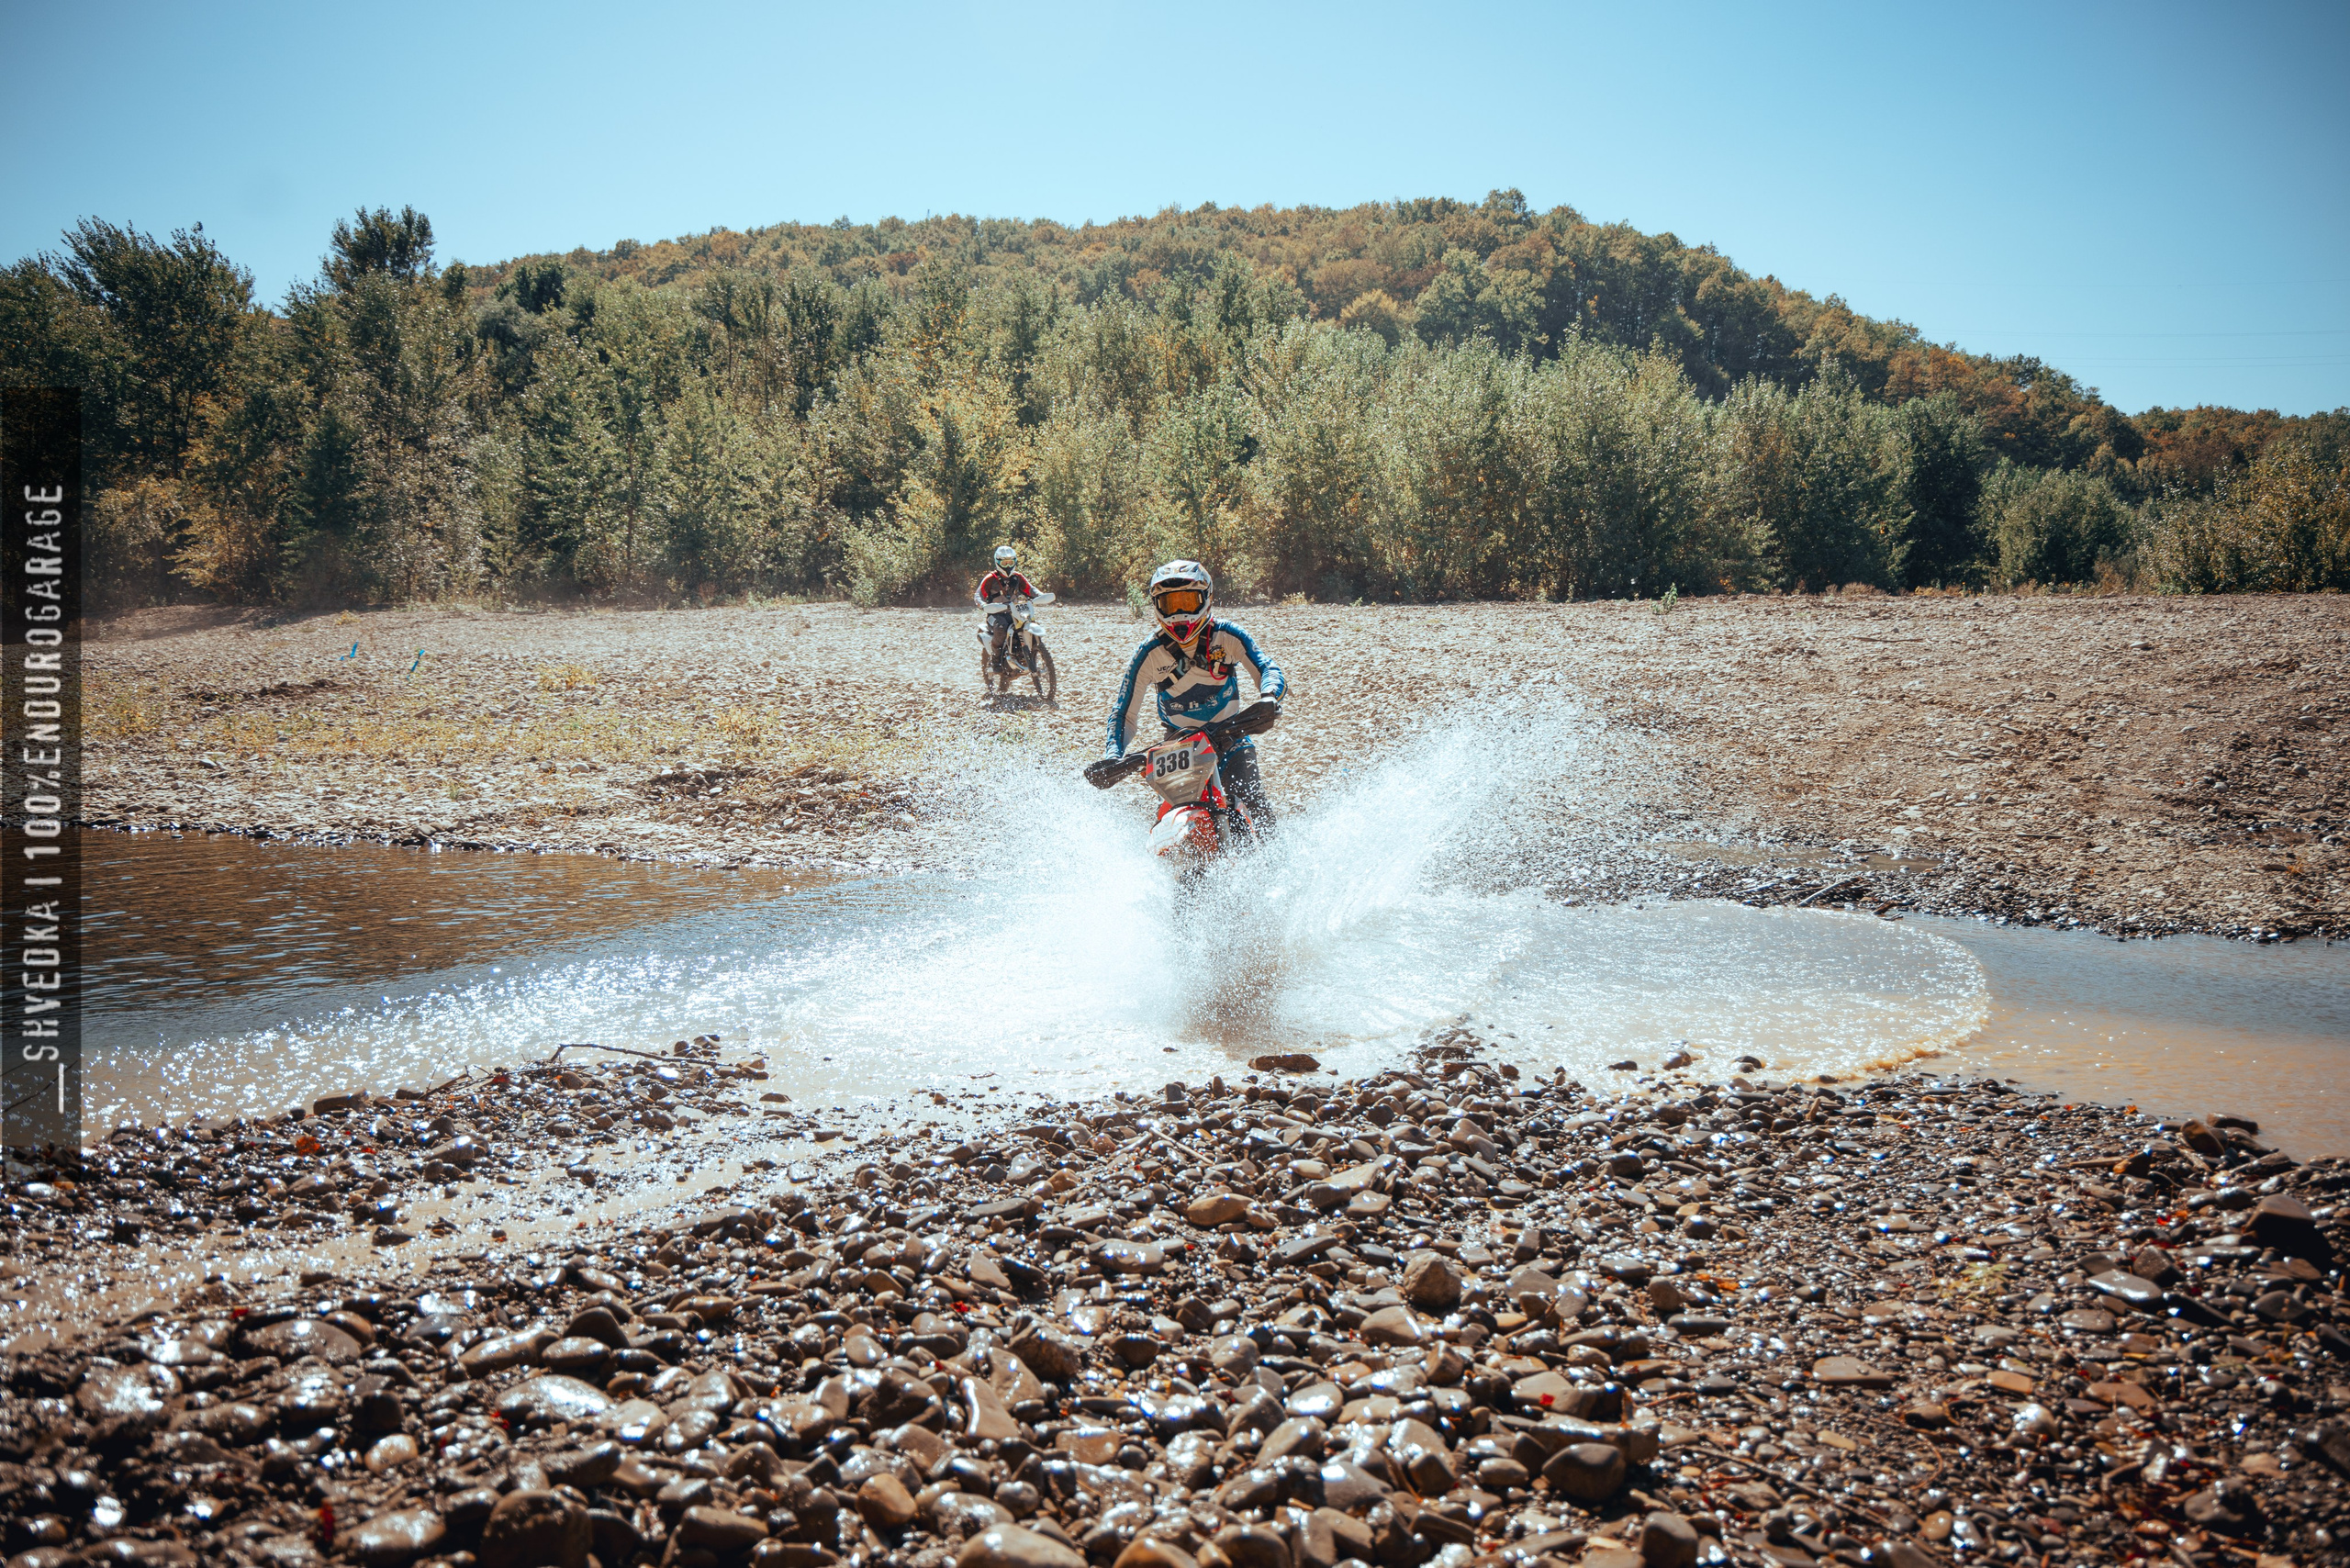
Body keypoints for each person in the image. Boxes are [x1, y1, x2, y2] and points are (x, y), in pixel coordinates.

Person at [1103, 559, 1287, 834]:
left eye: (1187, 601)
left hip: (1232, 737)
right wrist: (1113, 755)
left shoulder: (1228, 636)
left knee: (1255, 805)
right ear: (1156, 606)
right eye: (1169, 604)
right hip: (1177, 748)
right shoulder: (1148, 654)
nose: (1178, 614)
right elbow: (1124, 713)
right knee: (1168, 821)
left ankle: (1276, 859)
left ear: (1207, 598)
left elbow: (1267, 668)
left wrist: (1270, 696)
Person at [975, 544, 1040, 672]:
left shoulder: (1018, 577)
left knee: (1032, 624)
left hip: (1015, 612)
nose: (1008, 566)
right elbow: (978, 594)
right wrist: (982, 605)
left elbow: (1030, 589)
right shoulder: (990, 579)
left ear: (1015, 561)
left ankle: (1034, 653)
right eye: (1004, 563)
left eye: (1010, 562)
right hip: (995, 614)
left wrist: (1039, 595)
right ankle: (996, 661)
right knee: (1001, 628)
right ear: (998, 562)